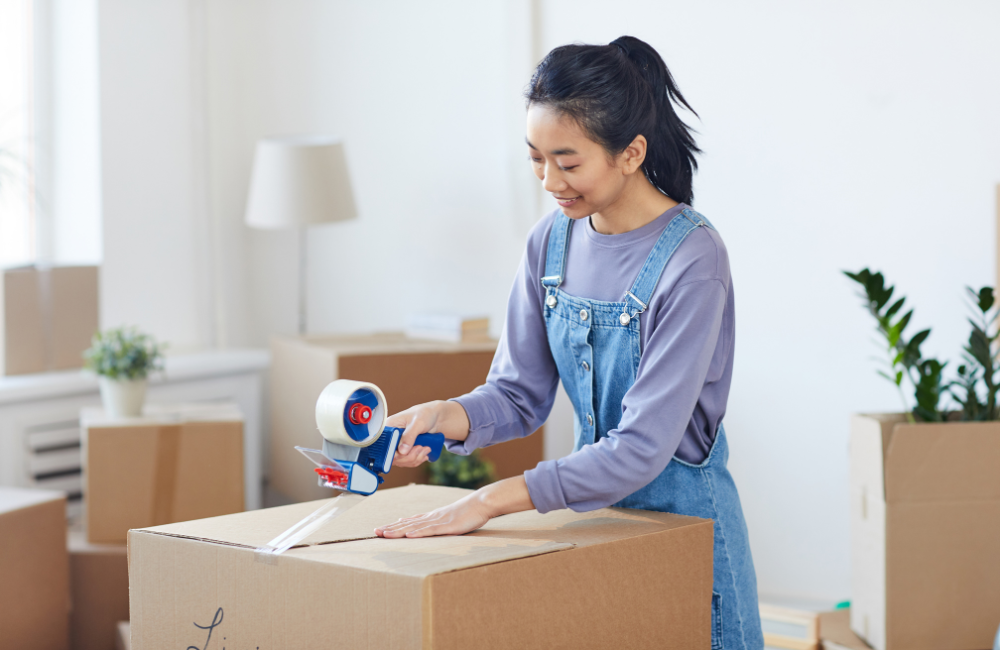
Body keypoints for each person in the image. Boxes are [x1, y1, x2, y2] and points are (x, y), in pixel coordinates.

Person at [374, 35, 763, 650]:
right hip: (596, 526)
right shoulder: (550, 243)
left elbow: (640, 449)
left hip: (689, 534)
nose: (549, 181)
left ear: (630, 152)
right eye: (535, 158)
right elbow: (519, 394)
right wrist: (446, 417)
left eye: (568, 161)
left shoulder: (693, 258)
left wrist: (490, 501)